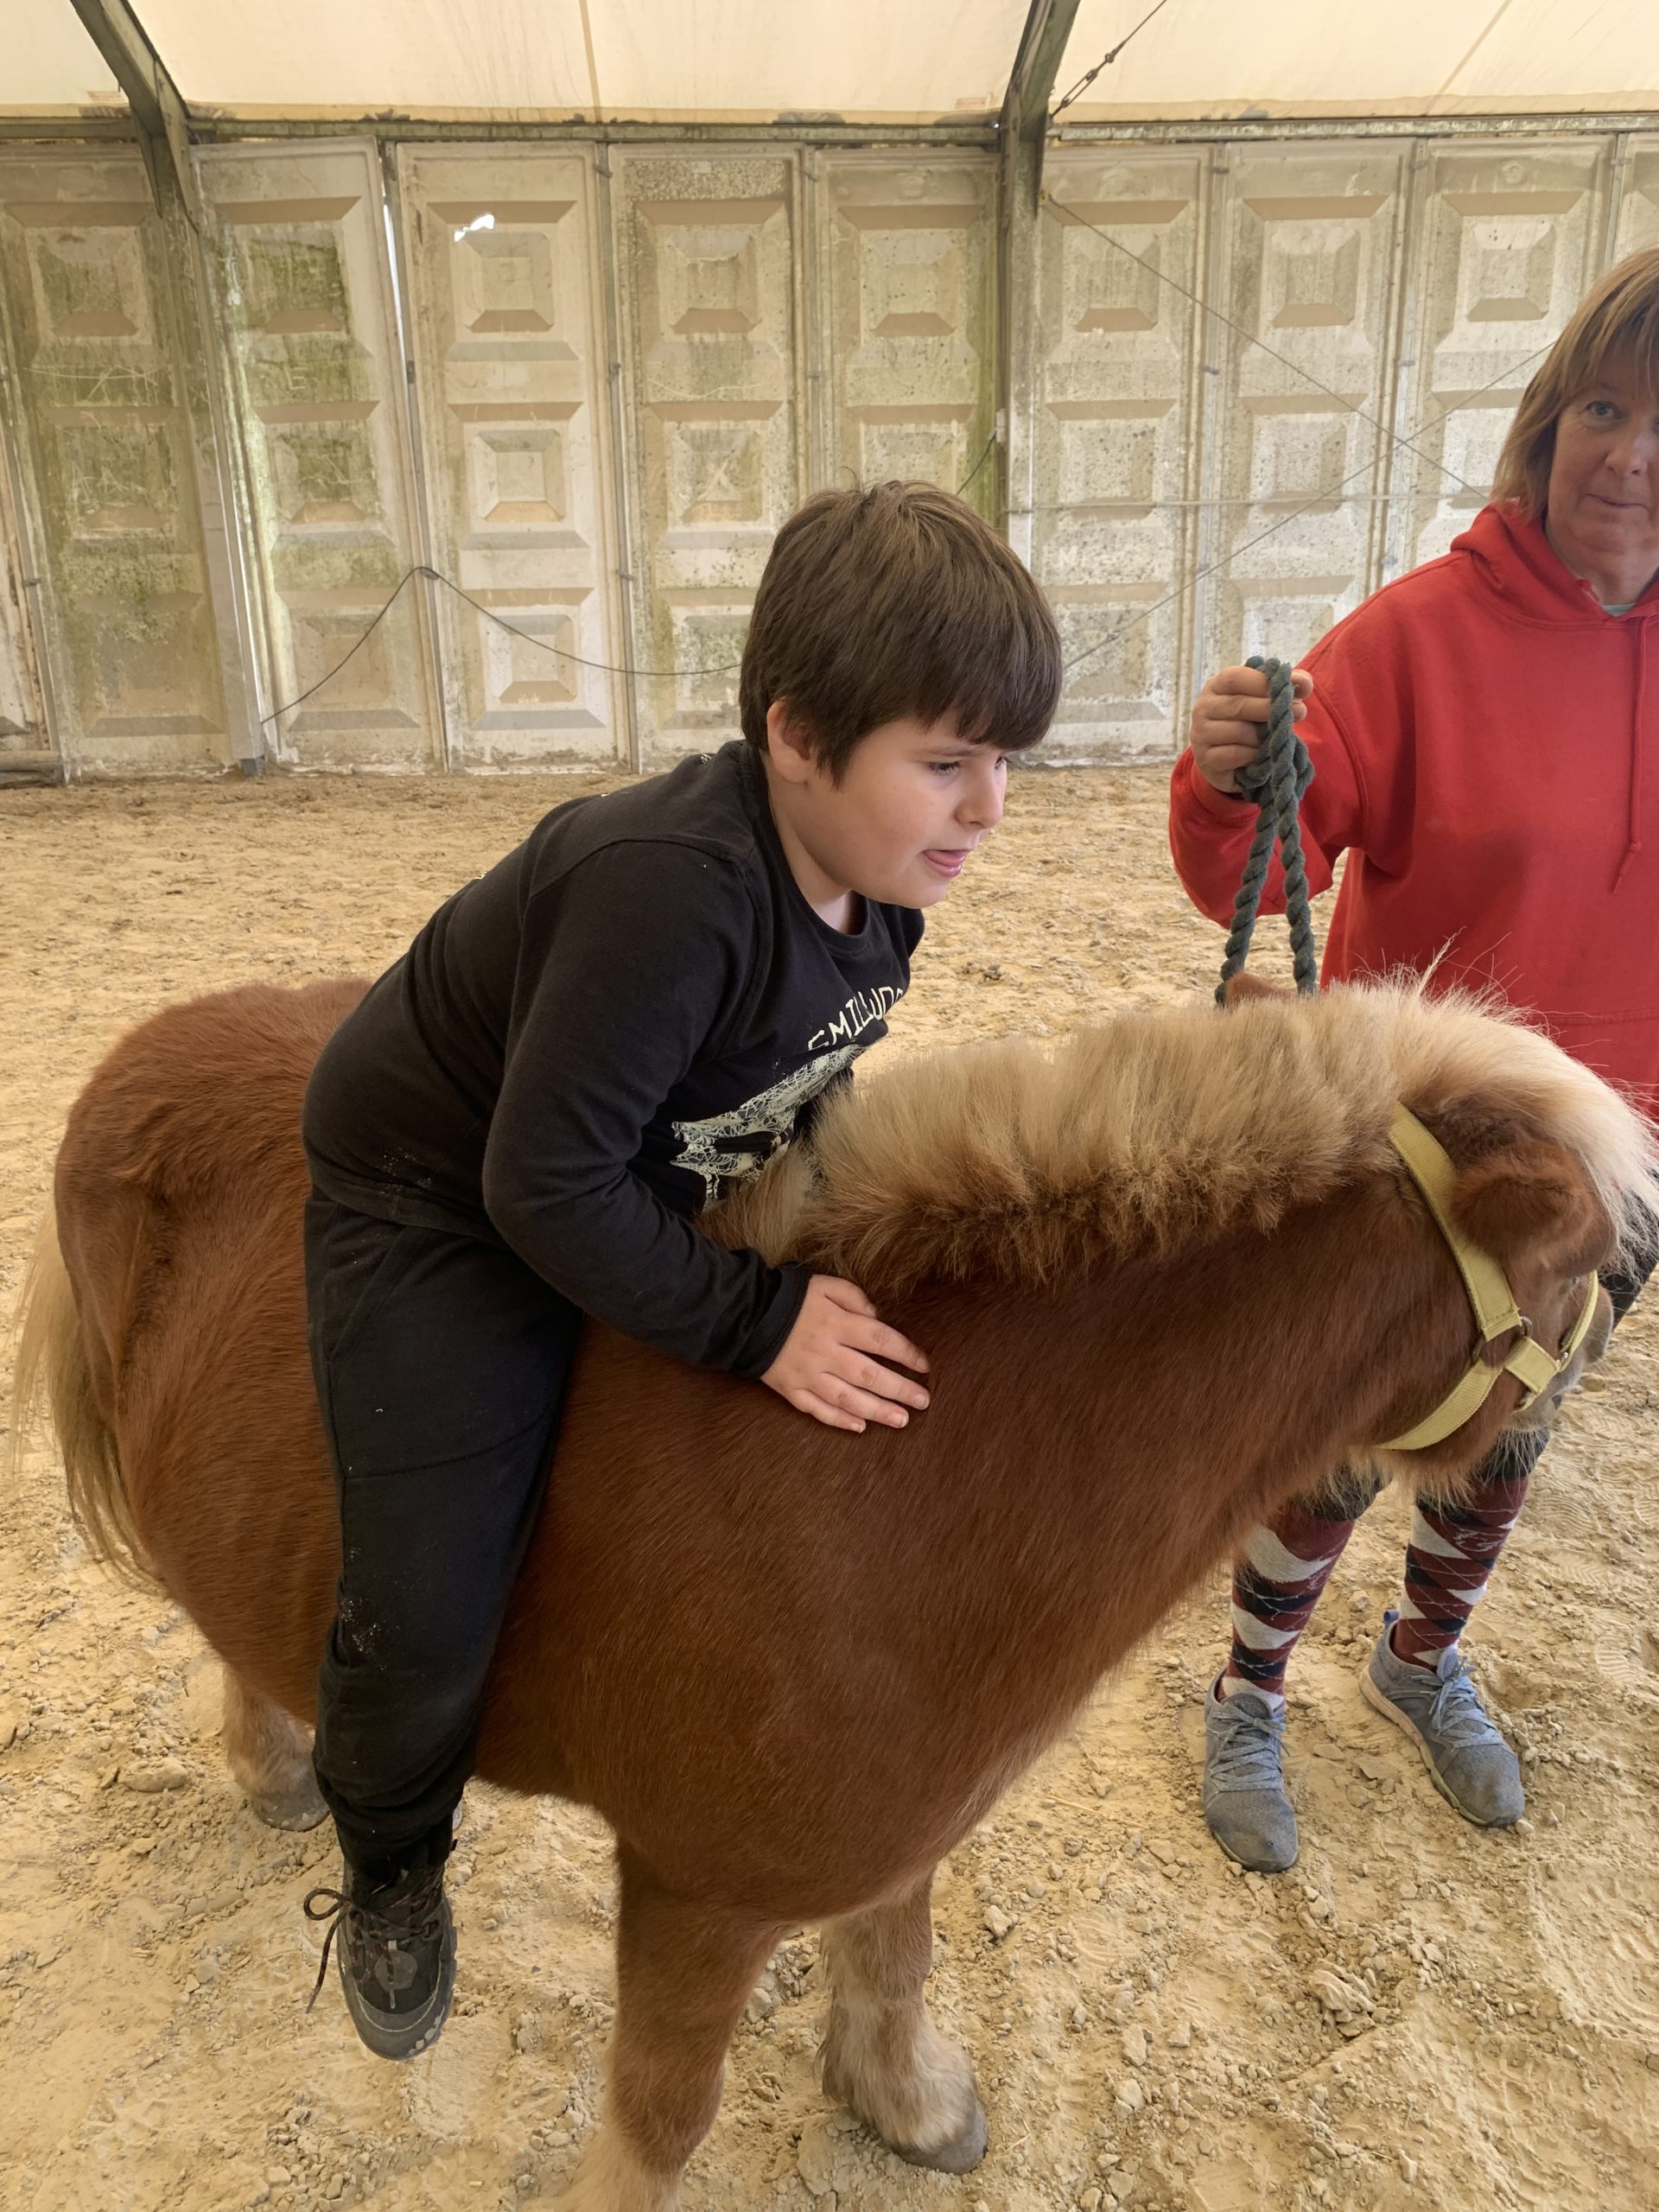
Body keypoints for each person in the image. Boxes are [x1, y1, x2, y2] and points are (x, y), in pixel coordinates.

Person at [297, 480, 1063, 2053]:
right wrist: (755, 1320)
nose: (990, 807)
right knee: (428, 1585)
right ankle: (388, 1856)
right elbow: (538, 1184)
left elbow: (798, 1070)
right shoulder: (670, 892)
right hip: (439, 1190)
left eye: (1005, 760)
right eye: (946, 761)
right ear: (797, 736)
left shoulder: (885, 882)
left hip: (614, 1148)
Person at [1166, 249, 1659, 1873]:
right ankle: (1251, 1688)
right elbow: (1257, 870)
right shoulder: (1416, 636)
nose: (1629, 456)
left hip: (1624, 1163)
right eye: (1605, 408)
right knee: (1339, 1442)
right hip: (1428, 1151)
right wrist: (1229, 776)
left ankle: (1420, 1658)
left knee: (1509, 1440)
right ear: (1548, 423)